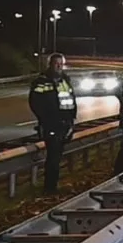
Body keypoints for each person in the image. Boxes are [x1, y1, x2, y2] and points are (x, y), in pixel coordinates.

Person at [28, 53, 78, 191]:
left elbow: (71, 100)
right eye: (56, 64)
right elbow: (35, 102)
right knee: (53, 157)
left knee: (58, 156)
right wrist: (45, 120)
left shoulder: (64, 80)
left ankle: (53, 185)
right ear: (50, 64)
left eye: (61, 64)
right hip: (51, 124)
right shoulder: (42, 81)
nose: (59, 66)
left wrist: (72, 119)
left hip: (65, 124)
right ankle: (49, 188)